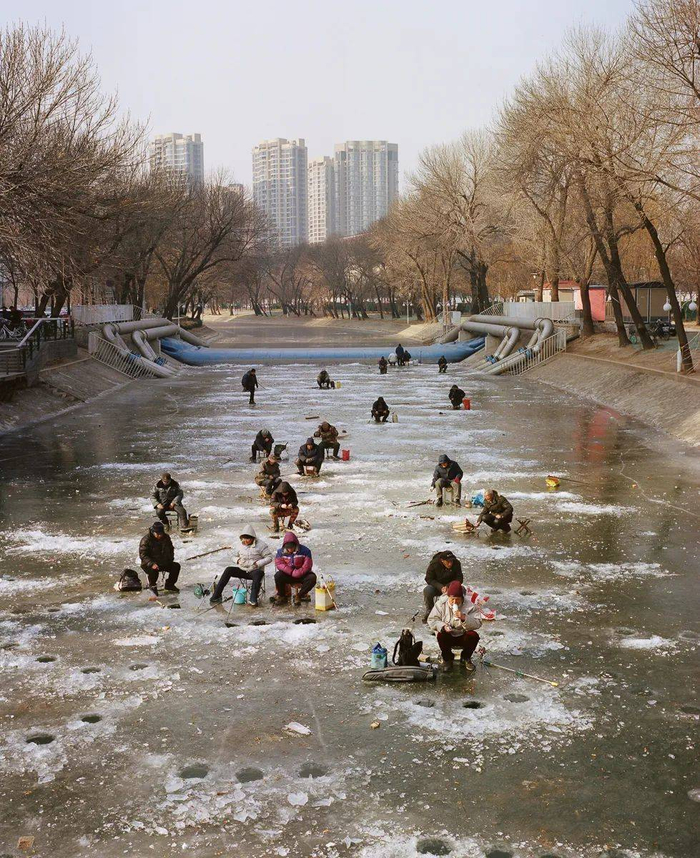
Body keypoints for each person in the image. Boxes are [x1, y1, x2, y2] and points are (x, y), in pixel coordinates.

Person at [209, 524, 272, 607]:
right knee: (228, 570)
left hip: (254, 570)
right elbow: (232, 556)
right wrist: (237, 560)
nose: (245, 541)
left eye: (248, 539)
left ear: (253, 538)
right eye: (243, 539)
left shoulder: (261, 545)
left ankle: (253, 600)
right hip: (242, 569)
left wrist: (257, 564)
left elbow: (269, 557)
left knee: (258, 574)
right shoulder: (239, 545)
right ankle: (216, 596)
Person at [428, 581, 482, 671]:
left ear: (462, 598)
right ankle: (447, 659)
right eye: (452, 599)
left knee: (473, 635)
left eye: (457, 599)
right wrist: (443, 627)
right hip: (448, 635)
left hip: (462, 634)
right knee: (441, 635)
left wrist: (464, 618)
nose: (454, 602)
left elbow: (478, 622)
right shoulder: (441, 604)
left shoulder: (470, 606)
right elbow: (432, 620)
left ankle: (466, 658)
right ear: (448, 597)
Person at [271, 532, 316, 606]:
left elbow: (307, 565)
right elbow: (279, 564)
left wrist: (298, 573)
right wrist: (291, 572)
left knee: (312, 578)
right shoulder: (280, 552)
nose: (290, 550)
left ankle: (299, 595)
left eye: (291, 547)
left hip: (302, 574)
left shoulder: (305, 551)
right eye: (288, 548)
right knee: (278, 576)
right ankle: (282, 595)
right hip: (288, 574)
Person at [139, 522, 180, 596]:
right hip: (149, 564)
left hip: (163, 562)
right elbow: (143, 555)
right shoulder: (146, 540)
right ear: (153, 532)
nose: (159, 536)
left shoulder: (166, 537)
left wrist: (170, 559)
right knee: (153, 569)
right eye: (157, 534)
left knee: (176, 566)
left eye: (161, 534)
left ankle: (169, 585)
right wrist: (152, 563)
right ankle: (152, 586)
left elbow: (171, 549)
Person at [423, 550, 463, 622]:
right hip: (437, 586)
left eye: (451, 561)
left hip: (451, 586)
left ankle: (458, 609)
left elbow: (459, 579)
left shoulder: (456, 563)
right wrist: (440, 587)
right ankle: (430, 610)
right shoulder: (434, 564)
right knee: (427, 590)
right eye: (448, 562)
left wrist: (449, 586)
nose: (450, 564)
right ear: (442, 560)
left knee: (462, 590)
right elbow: (428, 578)